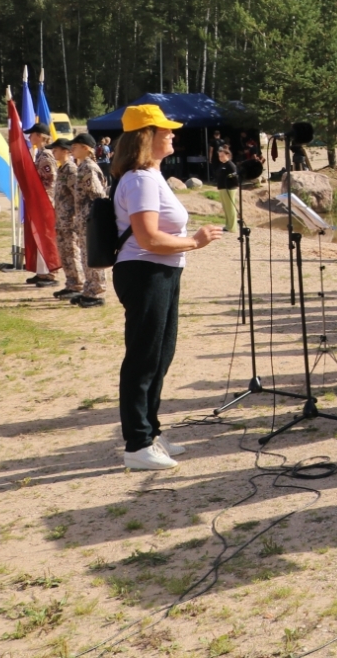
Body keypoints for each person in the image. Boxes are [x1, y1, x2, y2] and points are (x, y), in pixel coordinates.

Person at [111, 104, 224, 470]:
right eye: (165, 130)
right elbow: (148, 238)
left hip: (161, 272)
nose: (173, 134)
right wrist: (195, 241)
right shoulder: (140, 179)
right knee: (143, 358)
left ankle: (151, 432)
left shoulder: (151, 176)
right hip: (145, 272)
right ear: (148, 136)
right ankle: (137, 444)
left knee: (160, 355)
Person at [73, 134, 108, 306]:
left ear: (86, 148)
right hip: (83, 219)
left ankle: (97, 292)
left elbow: (98, 195)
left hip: (90, 219)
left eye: (75, 146)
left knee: (92, 256)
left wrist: (92, 217)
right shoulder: (82, 166)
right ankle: (89, 289)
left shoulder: (88, 167)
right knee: (85, 256)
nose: (72, 150)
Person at [26, 123, 59, 288]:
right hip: (40, 200)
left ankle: (50, 273)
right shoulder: (40, 154)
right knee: (40, 234)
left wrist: (38, 191)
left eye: (31, 134)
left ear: (39, 135)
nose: (29, 137)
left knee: (46, 235)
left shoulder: (45, 155)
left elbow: (51, 178)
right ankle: (42, 271)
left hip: (45, 200)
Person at [49, 138, 82, 300]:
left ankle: (78, 283)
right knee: (64, 252)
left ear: (64, 150)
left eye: (55, 150)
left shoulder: (71, 170)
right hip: (61, 219)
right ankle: (70, 283)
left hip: (70, 220)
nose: (53, 153)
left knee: (72, 252)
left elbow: (78, 195)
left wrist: (75, 218)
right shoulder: (62, 169)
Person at [212, 143, 239, 234]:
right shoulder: (221, 165)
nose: (221, 158)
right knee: (226, 208)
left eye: (222, 156)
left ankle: (232, 227)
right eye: (219, 156)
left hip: (229, 188)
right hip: (222, 188)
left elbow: (236, 177)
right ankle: (228, 225)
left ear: (228, 155)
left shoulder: (230, 165)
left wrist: (234, 185)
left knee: (230, 207)